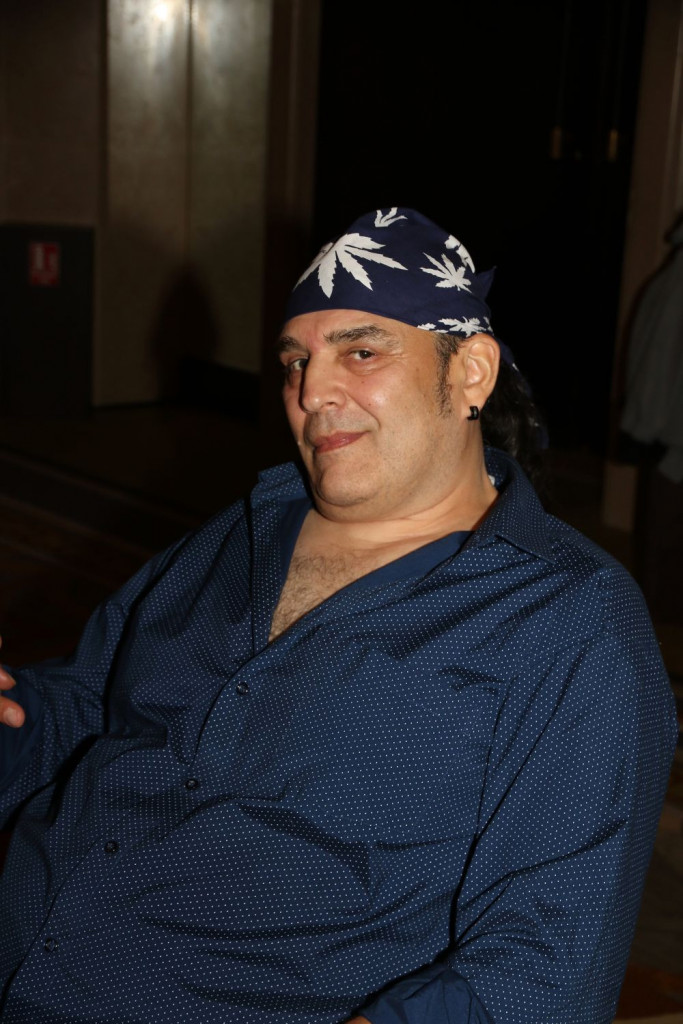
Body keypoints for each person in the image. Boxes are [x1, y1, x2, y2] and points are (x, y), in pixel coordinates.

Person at [0, 208, 677, 1024]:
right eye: (295, 360)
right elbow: (88, 705)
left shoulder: (568, 621)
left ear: (470, 373)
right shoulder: (240, 530)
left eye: (360, 352)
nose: (309, 392)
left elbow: (545, 964)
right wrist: (15, 718)